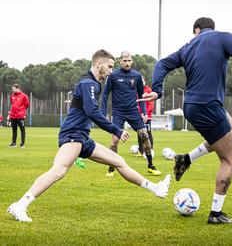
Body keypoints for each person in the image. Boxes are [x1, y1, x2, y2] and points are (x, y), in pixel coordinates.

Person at [139, 17, 232, 224]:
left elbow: (161, 64)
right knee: (230, 159)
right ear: (211, 28)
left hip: (193, 106)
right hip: (208, 105)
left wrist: (157, 90)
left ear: (196, 30)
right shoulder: (222, 38)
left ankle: (186, 159)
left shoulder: (187, 48)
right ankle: (216, 214)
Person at [7, 49, 171, 222]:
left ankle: (156, 188)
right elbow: (92, 111)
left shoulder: (92, 83)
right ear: (98, 63)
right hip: (73, 134)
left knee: (119, 161)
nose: (110, 71)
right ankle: (20, 205)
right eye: (109, 66)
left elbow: (91, 110)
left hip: (82, 137)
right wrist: (116, 130)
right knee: (58, 171)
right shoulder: (88, 83)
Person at [101, 51, 161, 177]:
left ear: (131, 61)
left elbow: (142, 96)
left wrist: (144, 112)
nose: (127, 63)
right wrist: (103, 112)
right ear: (120, 61)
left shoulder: (137, 76)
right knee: (114, 141)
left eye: (129, 61)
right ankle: (111, 168)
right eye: (125, 60)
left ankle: (151, 166)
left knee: (145, 136)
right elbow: (105, 93)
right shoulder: (113, 76)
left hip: (133, 112)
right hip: (118, 112)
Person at [137, 76, 155, 157]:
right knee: (139, 133)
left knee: (148, 132)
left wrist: (146, 114)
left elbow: (150, 104)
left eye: (142, 80)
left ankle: (150, 150)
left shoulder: (148, 90)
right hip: (138, 116)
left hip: (147, 117)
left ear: (144, 81)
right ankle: (141, 151)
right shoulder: (136, 91)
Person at [8, 84, 30, 148]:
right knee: (14, 130)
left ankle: (22, 144)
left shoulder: (24, 96)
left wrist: (22, 111)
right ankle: (14, 143)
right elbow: (13, 104)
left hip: (20, 116)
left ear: (18, 88)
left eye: (14, 89)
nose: (13, 90)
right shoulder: (12, 96)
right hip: (13, 116)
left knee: (22, 129)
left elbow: (27, 105)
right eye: (12, 89)